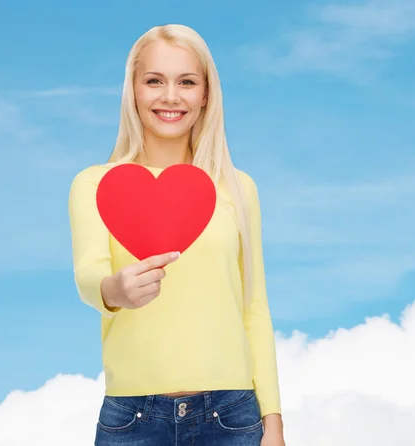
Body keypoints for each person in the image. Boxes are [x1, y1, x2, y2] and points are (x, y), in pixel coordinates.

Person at [68, 24, 285, 446]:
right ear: (133, 89)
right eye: (154, 81)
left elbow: (254, 308)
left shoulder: (238, 190)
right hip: (131, 417)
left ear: (206, 94)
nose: (170, 96)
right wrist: (116, 290)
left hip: (233, 416)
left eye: (186, 82)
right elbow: (88, 277)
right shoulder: (94, 184)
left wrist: (272, 421)